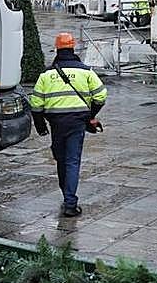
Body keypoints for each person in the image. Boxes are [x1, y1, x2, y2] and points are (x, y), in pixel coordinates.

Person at [28, 33, 107, 218]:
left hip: (56, 124)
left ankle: (68, 196)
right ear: (73, 48)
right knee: (72, 162)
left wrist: (40, 127)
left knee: (62, 161)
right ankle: (70, 203)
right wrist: (90, 116)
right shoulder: (86, 71)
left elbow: (36, 104)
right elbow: (101, 96)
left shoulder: (47, 75)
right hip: (77, 123)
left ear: (57, 49)